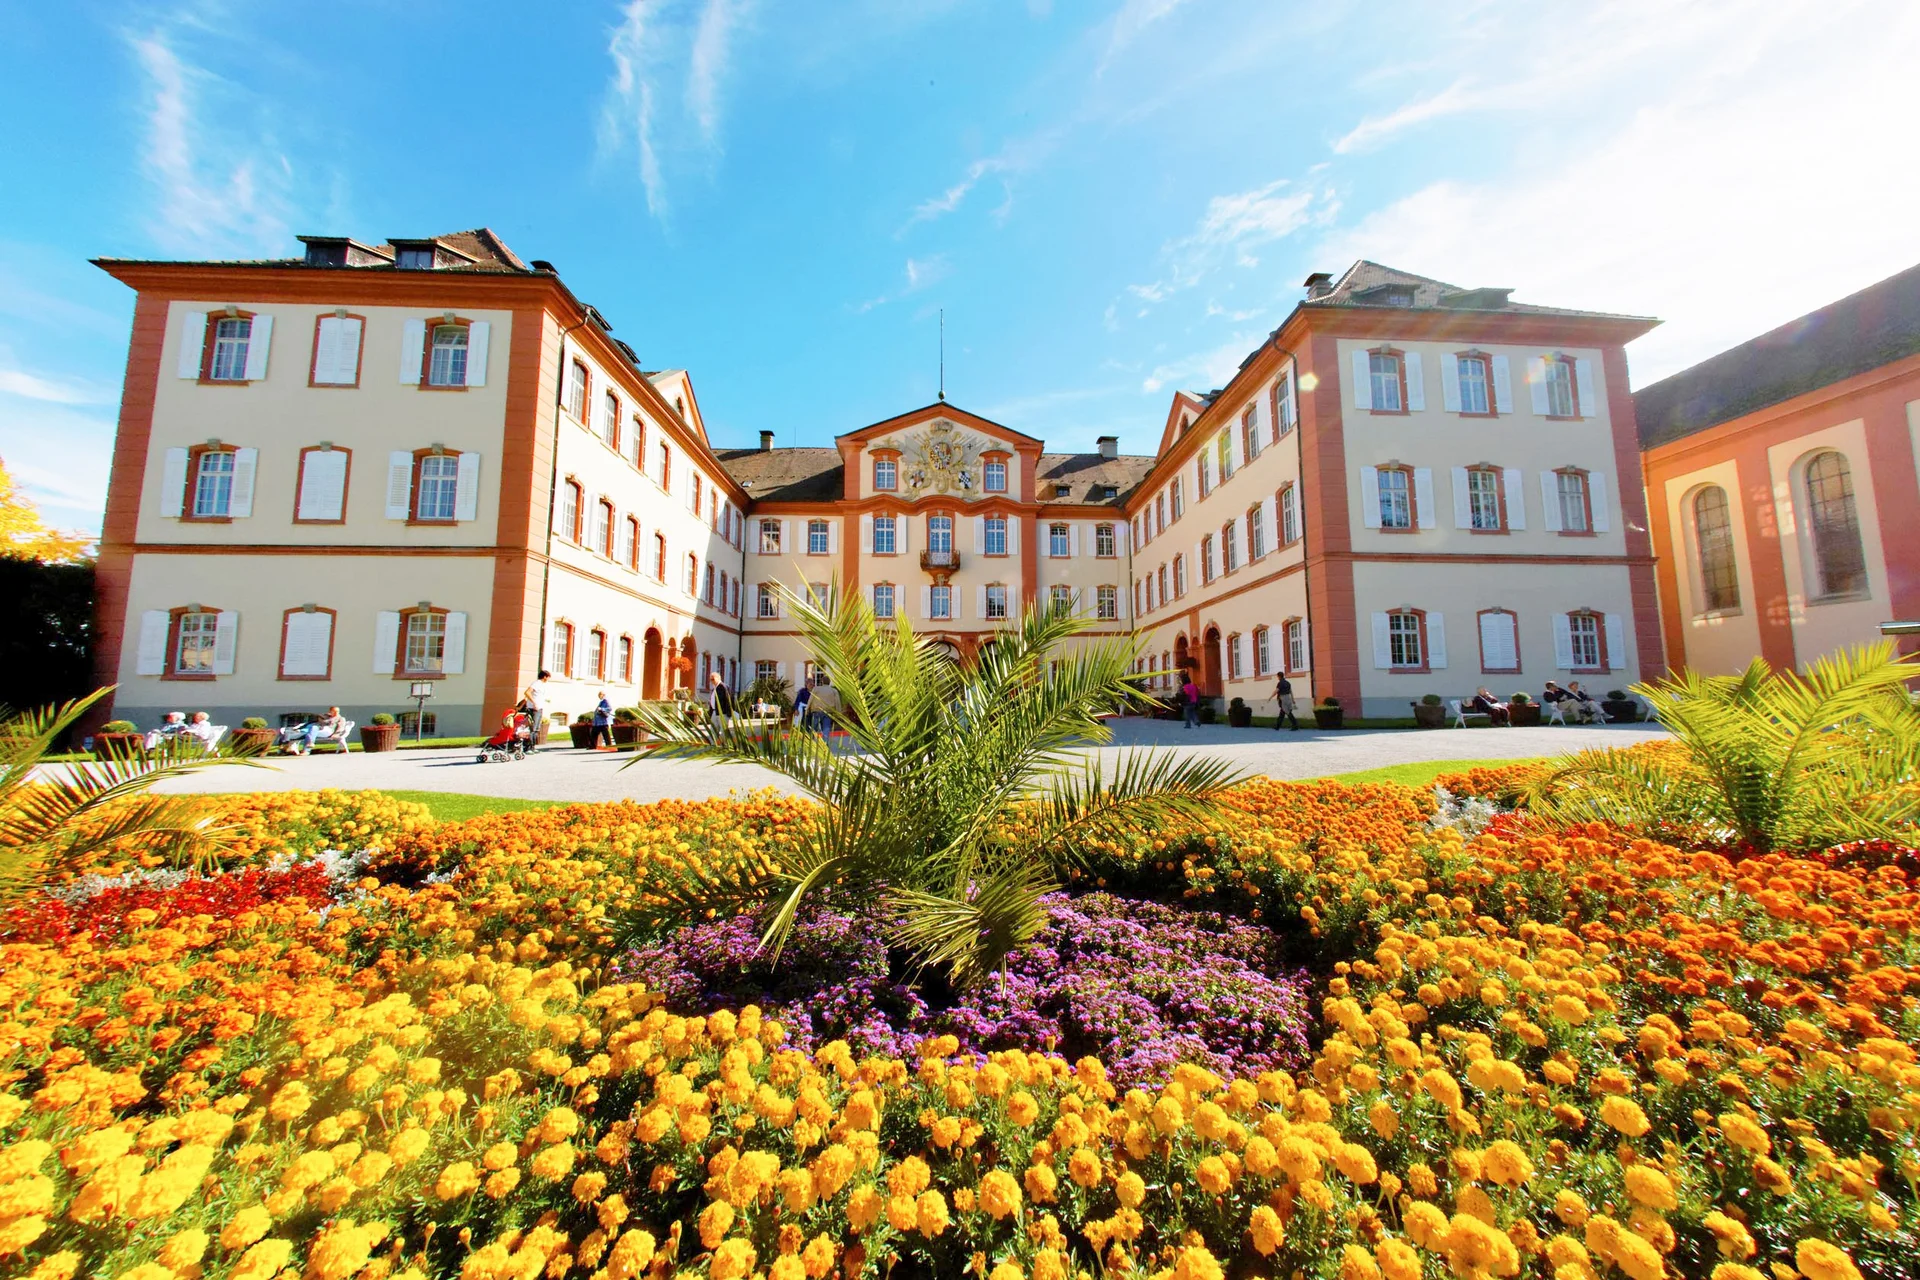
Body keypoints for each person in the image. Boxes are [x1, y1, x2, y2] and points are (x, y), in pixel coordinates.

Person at [520, 670, 550, 746]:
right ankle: (528, 746)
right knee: (533, 728)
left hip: (539, 708)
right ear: (544, 677)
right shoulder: (536, 683)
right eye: (548, 677)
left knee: (537, 728)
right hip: (534, 708)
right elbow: (527, 692)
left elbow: (537, 695)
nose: (548, 679)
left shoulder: (542, 685)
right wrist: (534, 703)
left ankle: (532, 746)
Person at [707, 670, 735, 740]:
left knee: (723, 731)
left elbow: (729, 700)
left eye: (713, 679)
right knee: (713, 730)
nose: (711, 681)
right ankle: (713, 745)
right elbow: (712, 701)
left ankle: (726, 745)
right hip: (714, 712)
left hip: (722, 712)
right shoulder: (714, 688)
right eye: (710, 679)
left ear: (718, 678)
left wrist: (729, 713)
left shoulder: (723, 686)